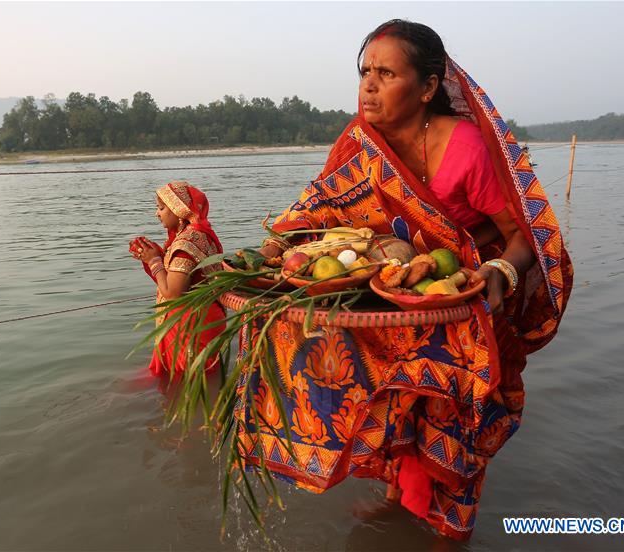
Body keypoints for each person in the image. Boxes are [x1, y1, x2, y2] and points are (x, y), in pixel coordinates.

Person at [241, 20, 573, 540]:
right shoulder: (358, 143)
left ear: (426, 88)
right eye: (364, 71)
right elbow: (314, 215)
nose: (368, 84)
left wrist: (500, 270)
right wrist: (270, 250)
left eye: (386, 73)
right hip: (393, 301)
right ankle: (398, 501)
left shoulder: (464, 147)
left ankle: (447, 531)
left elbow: (523, 235)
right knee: (390, 406)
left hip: (459, 305)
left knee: (452, 431)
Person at [130, 180, 225, 377]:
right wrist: (155, 256)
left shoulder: (187, 243)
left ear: (177, 209)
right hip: (203, 316)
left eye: (161, 208)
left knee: (185, 381)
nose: (157, 213)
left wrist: (154, 260)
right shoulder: (195, 234)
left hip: (194, 323)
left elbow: (173, 293)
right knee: (191, 379)